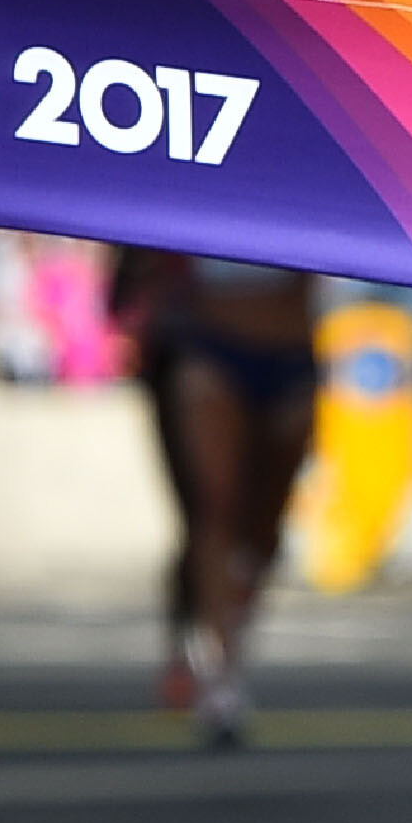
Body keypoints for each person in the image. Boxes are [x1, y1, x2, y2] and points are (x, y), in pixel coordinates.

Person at [113, 249, 324, 742]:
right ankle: (218, 673)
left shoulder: (310, 173)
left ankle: (223, 627)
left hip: (290, 349)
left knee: (265, 526)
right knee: (213, 507)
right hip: (207, 345)